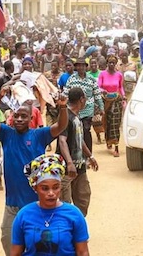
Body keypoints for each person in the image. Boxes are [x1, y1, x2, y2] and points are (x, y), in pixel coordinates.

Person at [0, 83, 68, 255]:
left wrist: (63, 107)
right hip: (12, 205)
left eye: (24, 117)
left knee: (37, 245)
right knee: (7, 240)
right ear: (11, 118)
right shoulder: (6, 134)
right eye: (16, 116)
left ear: (31, 119)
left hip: (37, 203)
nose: (19, 119)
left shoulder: (39, 135)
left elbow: (60, 127)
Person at [11, 154, 90, 256]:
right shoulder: (23, 215)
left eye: (56, 187)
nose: (51, 193)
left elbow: (82, 252)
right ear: (35, 188)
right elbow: (15, 253)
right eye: (45, 188)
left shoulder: (74, 214)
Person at [57, 87, 99, 217]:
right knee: (65, 203)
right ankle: (67, 232)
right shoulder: (66, 117)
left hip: (79, 167)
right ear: (82, 99)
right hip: (66, 169)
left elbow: (79, 140)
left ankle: (77, 227)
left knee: (83, 197)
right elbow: (62, 141)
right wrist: (69, 163)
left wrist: (90, 156)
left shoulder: (76, 118)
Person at [64, 58, 103, 151]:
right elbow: (66, 93)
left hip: (87, 109)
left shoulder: (91, 79)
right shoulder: (71, 79)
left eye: (83, 65)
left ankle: (88, 155)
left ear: (86, 67)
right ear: (76, 67)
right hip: (73, 110)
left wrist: (101, 107)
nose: (81, 67)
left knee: (86, 131)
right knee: (74, 132)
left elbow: (97, 94)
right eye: (78, 65)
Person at [98, 54, 125, 157]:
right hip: (105, 101)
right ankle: (108, 140)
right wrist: (103, 91)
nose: (112, 64)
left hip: (116, 100)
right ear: (107, 63)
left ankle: (116, 147)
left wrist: (123, 96)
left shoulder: (119, 75)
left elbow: (120, 87)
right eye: (110, 62)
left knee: (115, 123)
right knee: (107, 122)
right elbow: (98, 86)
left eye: (114, 63)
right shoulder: (102, 74)